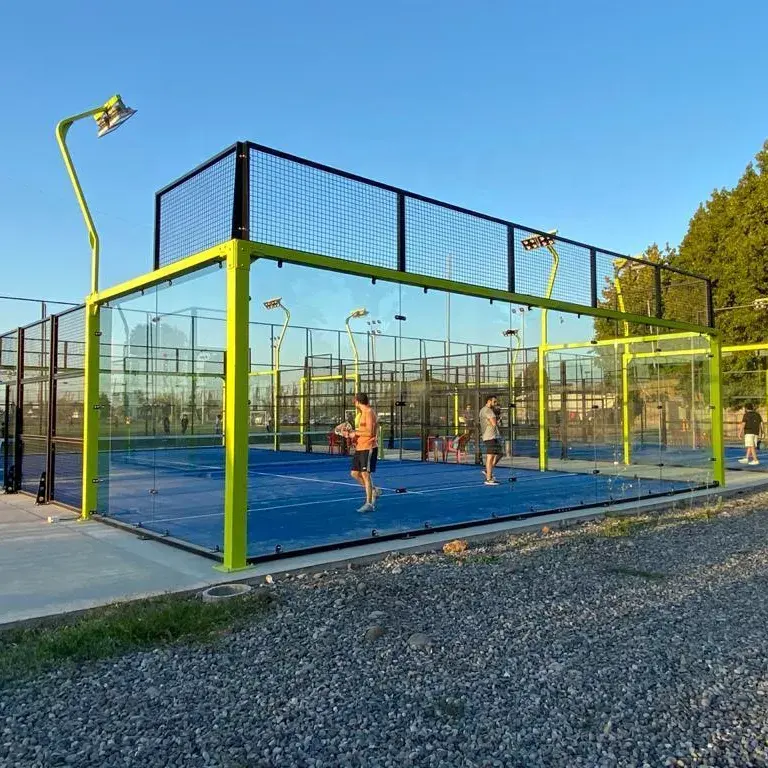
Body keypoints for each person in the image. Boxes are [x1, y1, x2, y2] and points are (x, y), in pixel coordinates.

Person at [342, 393, 381, 513]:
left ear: (358, 402)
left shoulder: (369, 412)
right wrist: (351, 434)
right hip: (360, 447)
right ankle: (373, 490)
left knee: (365, 475)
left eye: (355, 401)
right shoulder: (362, 414)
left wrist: (355, 433)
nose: (354, 403)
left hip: (368, 447)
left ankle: (369, 503)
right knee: (354, 474)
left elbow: (369, 432)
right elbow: (362, 431)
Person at [479, 394, 503, 485]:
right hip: (490, 436)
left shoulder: (483, 410)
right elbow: (493, 423)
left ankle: (487, 471)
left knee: (500, 454)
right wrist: (497, 418)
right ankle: (488, 479)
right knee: (490, 457)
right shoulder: (488, 411)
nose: (496, 403)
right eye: (494, 401)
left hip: (492, 436)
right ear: (489, 401)